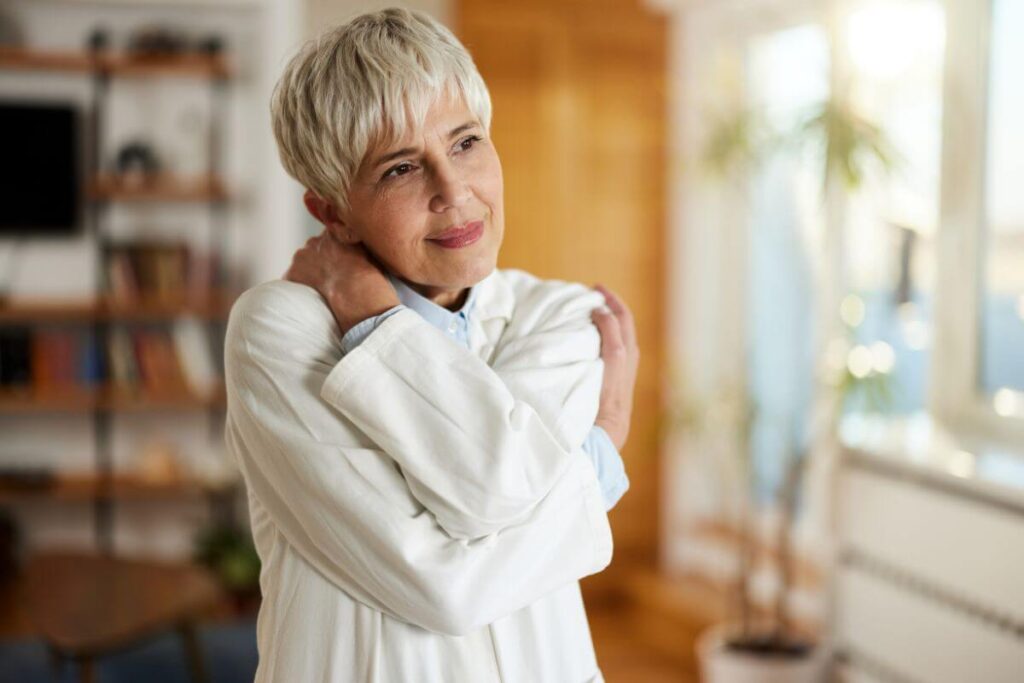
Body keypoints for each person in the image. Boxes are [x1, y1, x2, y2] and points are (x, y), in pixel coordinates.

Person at [223, 7, 640, 682]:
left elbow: (492, 489)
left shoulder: (565, 317)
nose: (455, 191)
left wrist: (373, 316)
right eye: (399, 169)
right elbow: (446, 586)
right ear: (331, 210)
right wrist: (598, 458)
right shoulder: (279, 330)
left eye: (466, 142)